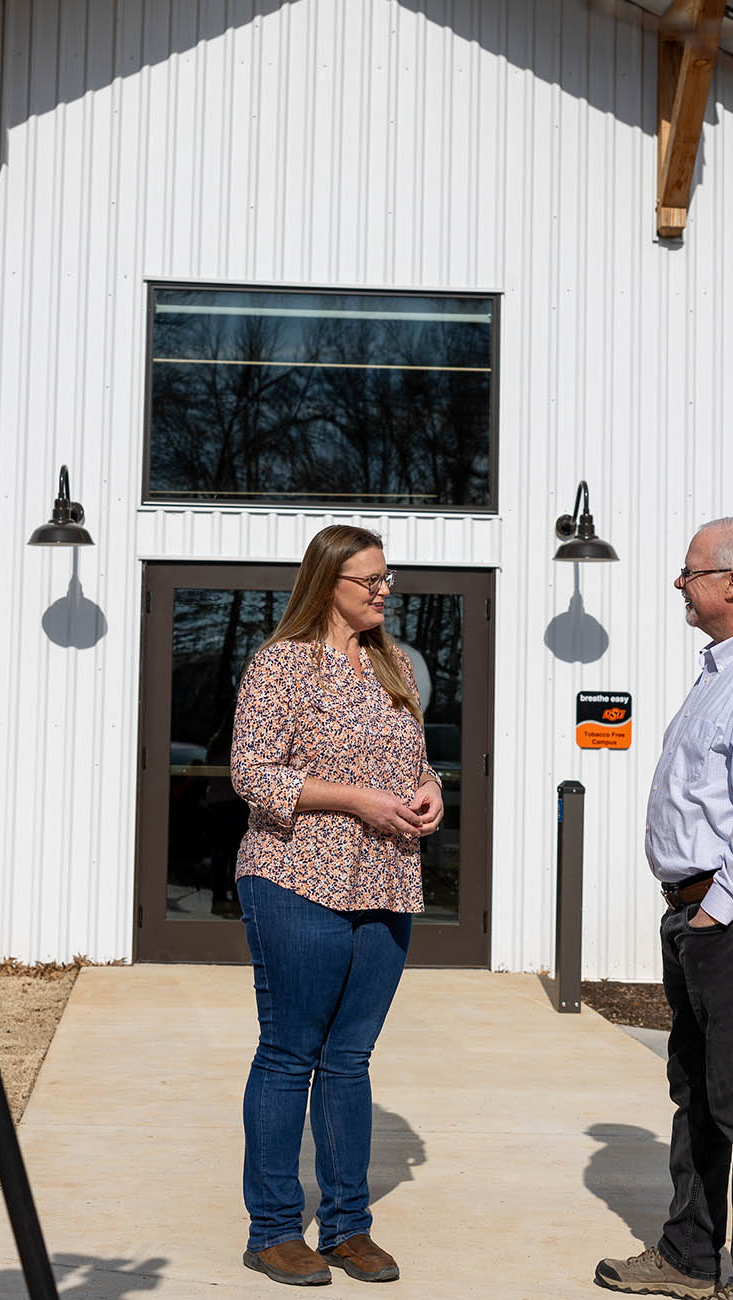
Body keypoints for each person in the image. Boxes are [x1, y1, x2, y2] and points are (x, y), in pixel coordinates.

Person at [596, 518, 733, 1300]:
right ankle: (689, 1258)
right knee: (697, 1091)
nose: (679, 583)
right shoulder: (724, 672)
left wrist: (715, 910)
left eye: (690, 571)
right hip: (703, 919)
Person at [228, 524, 442, 1287]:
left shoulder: (396, 669)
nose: (385, 591)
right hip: (296, 877)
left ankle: (348, 1227)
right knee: (290, 1055)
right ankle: (274, 1229)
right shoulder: (281, 665)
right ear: (327, 586)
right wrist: (356, 800)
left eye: (388, 578)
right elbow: (252, 773)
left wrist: (430, 794)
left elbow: (416, 762)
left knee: (348, 1059)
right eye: (370, 581)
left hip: (385, 881)